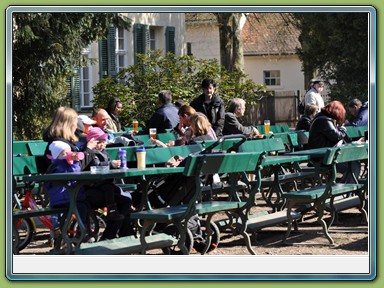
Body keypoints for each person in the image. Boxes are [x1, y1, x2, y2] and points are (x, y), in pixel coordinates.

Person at [82, 127, 135, 240]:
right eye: (100, 142)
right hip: (91, 188)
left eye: (104, 142)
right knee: (121, 199)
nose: (103, 145)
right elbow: (94, 168)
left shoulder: (103, 153)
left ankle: (120, 236)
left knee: (126, 201)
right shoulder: (89, 153)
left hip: (104, 187)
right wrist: (111, 165)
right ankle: (110, 235)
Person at [308, 101, 360, 183]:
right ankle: (346, 189)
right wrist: (343, 129)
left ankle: (347, 189)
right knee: (354, 165)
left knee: (354, 164)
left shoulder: (323, 118)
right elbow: (336, 136)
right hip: (322, 157)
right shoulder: (324, 121)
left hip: (326, 155)